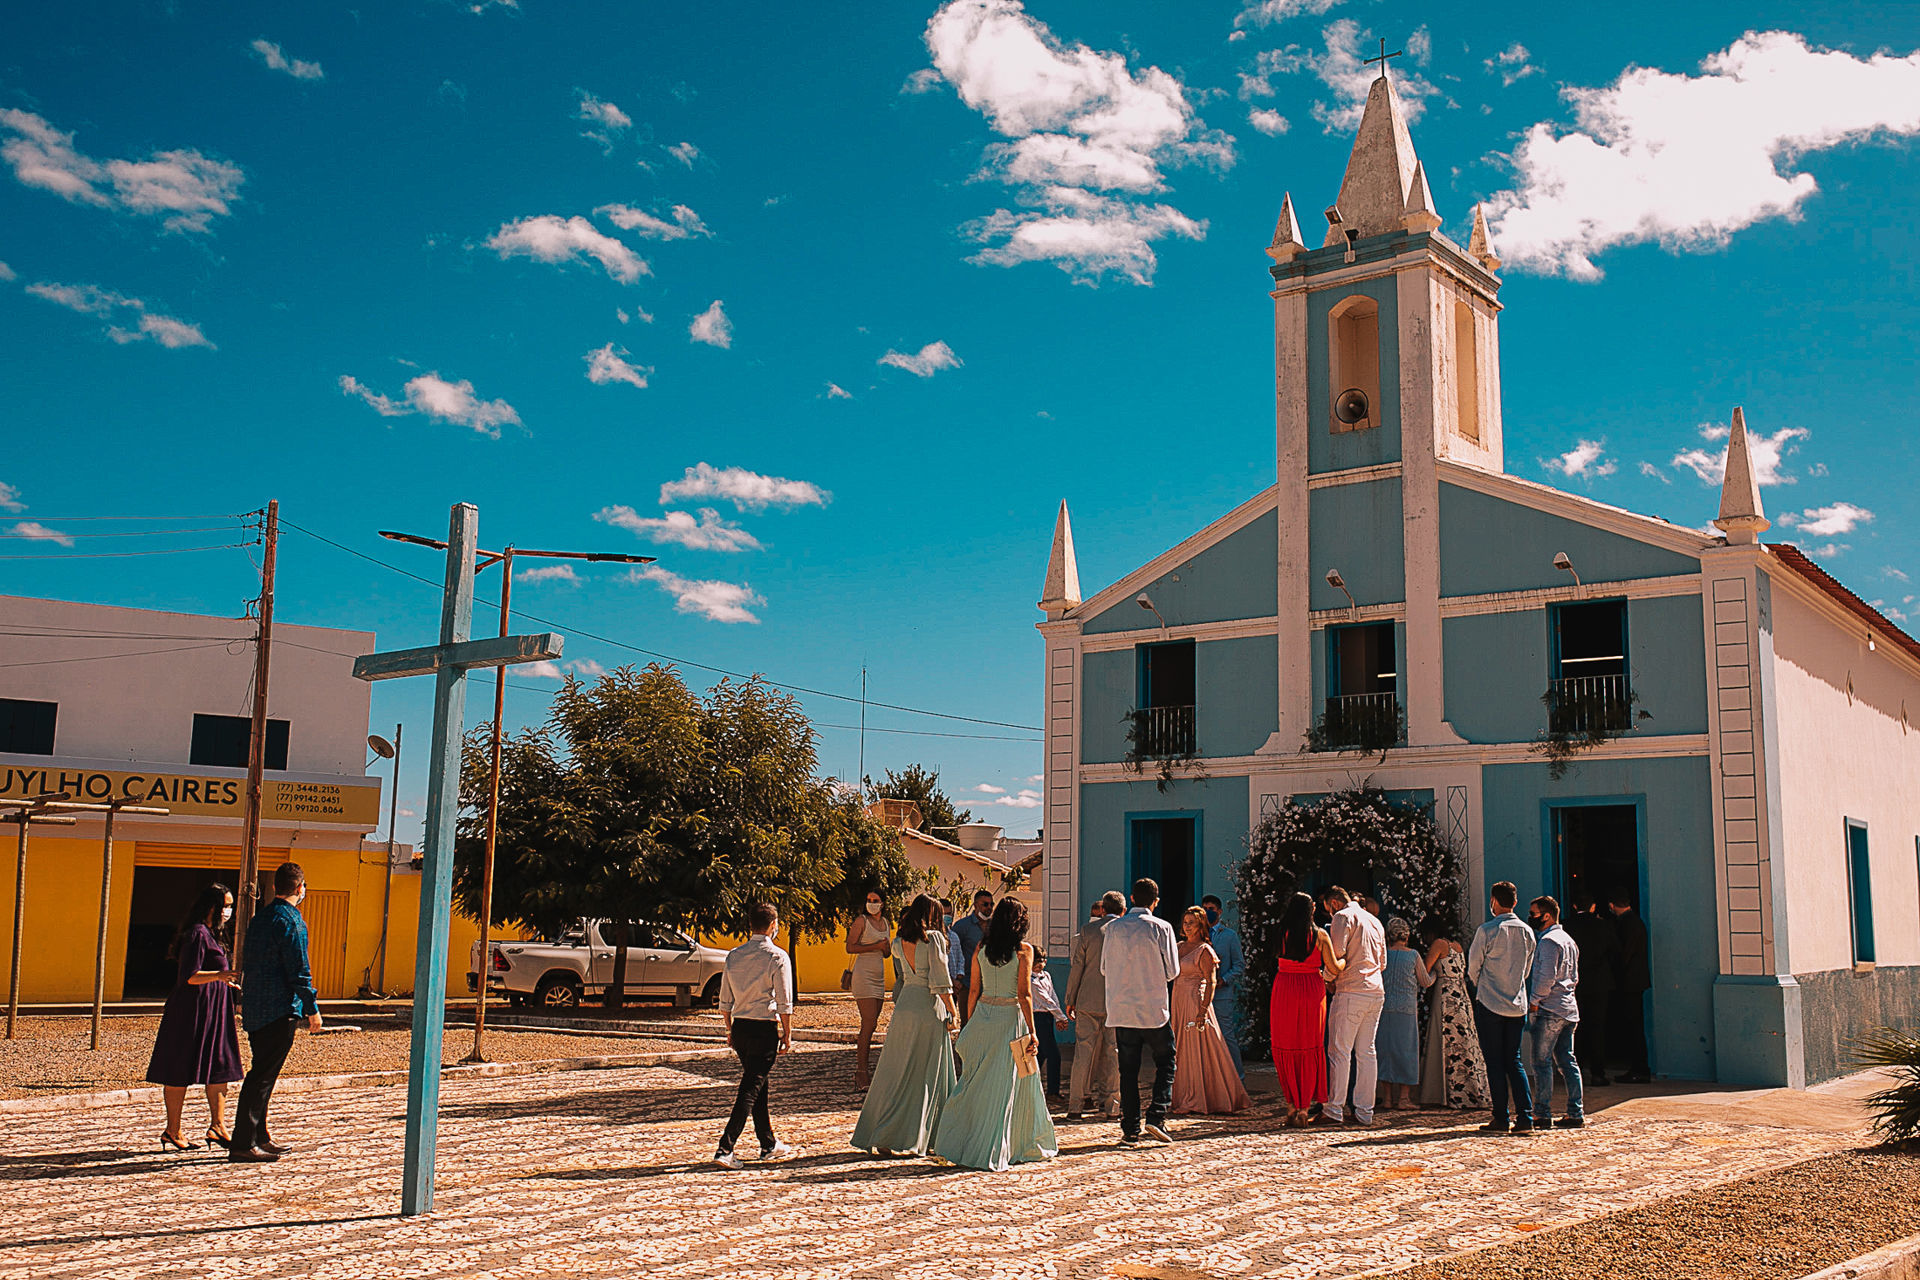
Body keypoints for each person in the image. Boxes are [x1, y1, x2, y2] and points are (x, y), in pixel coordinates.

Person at [931, 897, 1058, 1170]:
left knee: (975, 1082)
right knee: (1012, 1083)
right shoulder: (1024, 950)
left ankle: (959, 1141)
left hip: (984, 1018)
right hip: (1010, 1021)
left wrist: (970, 1023)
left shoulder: (981, 947)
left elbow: (974, 990)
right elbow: (1024, 994)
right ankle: (1011, 1144)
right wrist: (1033, 1031)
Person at [851, 894, 958, 1157]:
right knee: (928, 1072)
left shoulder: (898, 942)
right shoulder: (933, 939)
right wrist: (953, 1011)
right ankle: (931, 1134)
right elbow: (940, 979)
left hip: (905, 1004)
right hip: (928, 1005)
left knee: (896, 1070)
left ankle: (883, 1132)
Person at [232, 861, 320, 1163]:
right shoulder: (292, 922)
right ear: (299, 888)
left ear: (274, 887)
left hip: (256, 1007)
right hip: (280, 1008)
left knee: (262, 1073)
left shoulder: (261, 918)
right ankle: (244, 1141)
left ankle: (260, 1136)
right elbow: (299, 969)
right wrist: (312, 1008)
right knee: (262, 1077)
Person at [146, 882, 244, 1151]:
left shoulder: (213, 934)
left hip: (215, 1011)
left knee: (219, 1066)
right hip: (191, 1012)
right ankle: (173, 1130)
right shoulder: (197, 934)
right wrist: (219, 976)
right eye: (226, 905)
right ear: (212, 906)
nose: (229, 910)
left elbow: (213, 973)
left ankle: (218, 1126)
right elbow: (189, 975)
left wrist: (224, 982)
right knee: (180, 1068)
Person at [715, 902, 796, 1169]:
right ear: (773, 925)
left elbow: (725, 999)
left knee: (758, 1083)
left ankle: (768, 1143)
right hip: (763, 1028)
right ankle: (725, 1148)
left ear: (750, 925)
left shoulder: (734, 955)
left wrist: (728, 1029)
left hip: (740, 1027)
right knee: (750, 1088)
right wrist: (787, 1032)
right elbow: (784, 1000)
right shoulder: (777, 956)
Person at [1101, 878, 1181, 1144]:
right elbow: (1173, 971)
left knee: (1128, 1070)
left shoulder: (1112, 929)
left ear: (1132, 899)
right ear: (1155, 902)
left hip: (1122, 1008)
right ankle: (1157, 1116)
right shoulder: (1162, 928)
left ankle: (1130, 1128)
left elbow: (1104, 968)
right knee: (1166, 1062)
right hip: (1152, 1008)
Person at [1468, 881, 1537, 1135]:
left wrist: (1480, 986)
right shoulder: (1528, 932)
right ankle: (1526, 1117)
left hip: (1490, 1002)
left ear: (1494, 901)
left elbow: (1473, 966)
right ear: (1515, 902)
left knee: (1494, 1062)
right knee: (1514, 1060)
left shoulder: (1487, 930)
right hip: (1517, 1004)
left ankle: (1501, 1116)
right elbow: (1527, 969)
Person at [1269, 891, 1340, 1126]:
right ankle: (1304, 1108)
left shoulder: (1280, 933)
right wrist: (1345, 959)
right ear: (1311, 911)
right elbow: (1334, 967)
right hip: (1311, 988)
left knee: (1285, 1045)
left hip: (1284, 988)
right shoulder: (1319, 935)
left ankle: (1291, 1104)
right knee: (1310, 1045)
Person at [1170, 907, 1250, 1115]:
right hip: (1178, 1000)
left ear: (1201, 926)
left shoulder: (1205, 950)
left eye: (1191, 923)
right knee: (1180, 1048)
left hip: (1195, 1000)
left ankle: (1202, 1096)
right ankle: (1182, 1095)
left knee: (1199, 1048)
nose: (1187, 926)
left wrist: (1203, 1010)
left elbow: (1211, 981)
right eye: (1185, 922)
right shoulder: (1178, 947)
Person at [1322, 885, 1387, 1127]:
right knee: (1367, 1052)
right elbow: (1382, 962)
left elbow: (1337, 954)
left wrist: (1326, 978)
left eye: (1328, 908)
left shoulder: (1342, 917)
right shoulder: (1374, 920)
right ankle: (1364, 1111)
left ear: (1334, 903)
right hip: (1375, 990)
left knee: (1339, 1051)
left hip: (1351, 990)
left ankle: (1334, 1108)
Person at [1063, 890, 1124, 1121]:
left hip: (1087, 999)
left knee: (1082, 1054)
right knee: (1113, 1054)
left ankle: (1075, 1106)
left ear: (1103, 910)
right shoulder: (1126, 931)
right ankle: (1112, 1107)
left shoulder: (1087, 931)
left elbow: (1077, 967)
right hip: (1116, 1002)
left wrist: (1070, 999)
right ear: (1123, 910)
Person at [1527, 896, 1585, 1129]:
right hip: (1569, 1008)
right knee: (1567, 1060)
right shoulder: (1569, 940)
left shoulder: (1548, 942)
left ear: (1547, 915)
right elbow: (1575, 976)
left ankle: (1541, 1112)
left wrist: (1534, 1001)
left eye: (1534, 913)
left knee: (1541, 1063)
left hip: (1550, 1008)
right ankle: (1575, 1111)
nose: (1531, 917)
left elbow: (1545, 977)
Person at [1417, 931, 1490, 1110]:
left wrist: (1433, 977)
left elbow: (1425, 971)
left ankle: (1446, 1093)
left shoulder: (1438, 944)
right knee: (1464, 1041)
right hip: (1461, 995)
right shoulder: (1457, 946)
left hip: (1445, 995)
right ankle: (1472, 1090)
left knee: (1445, 1039)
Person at [1562, 895, 1619, 1086]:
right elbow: (1615, 952)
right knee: (1597, 1028)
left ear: (1575, 905)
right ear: (1594, 907)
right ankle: (1598, 1073)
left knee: (1574, 1028)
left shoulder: (1566, 926)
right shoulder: (1604, 926)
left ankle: (1575, 1072)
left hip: (1574, 983)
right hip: (1599, 984)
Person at [1378, 917, 1434, 1111]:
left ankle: (1386, 1098)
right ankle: (1403, 1098)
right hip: (1406, 1010)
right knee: (1406, 1052)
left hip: (1384, 1007)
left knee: (1384, 1051)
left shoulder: (1383, 955)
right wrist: (1436, 974)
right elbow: (1425, 981)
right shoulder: (1413, 956)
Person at [845, 888, 892, 1090]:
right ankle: (861, 1072)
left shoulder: (886, 923)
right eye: (868, 899)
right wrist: (875, 946)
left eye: (875, 900)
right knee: (868, 1022)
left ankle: (865, 1069)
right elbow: (850, 947)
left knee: (873, 1025)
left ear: (883, 903)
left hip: (879, 975)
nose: (871, 903)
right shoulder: (861, 921)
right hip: (863, 974)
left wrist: (885, 947)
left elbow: (887, 952)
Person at [1608, 892, 1652, 1083]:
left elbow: (1624, 953)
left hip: (1629, 983)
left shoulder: (1626, 924)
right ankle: (1639, 1067)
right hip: (1637, 981)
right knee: (1635, 1025)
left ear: (1612, 905)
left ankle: (1639, 1069)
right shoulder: (1636, 922)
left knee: (1633, 1026)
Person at [1200, 894, 1245, 1078]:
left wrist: (1224, 980)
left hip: (1221, 994)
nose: (1208, 912)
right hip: (1202, 993)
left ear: (1219, 911)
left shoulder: (1229, 936)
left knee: (1226, 1035)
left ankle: (1237, 1076)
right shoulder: (1198, 935)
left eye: (1211, 909)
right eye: (1205, 909)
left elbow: (1239, 965)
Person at [950, 890, 994, 1023]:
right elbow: (953, 952)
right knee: (968, 1023)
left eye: (991, 904)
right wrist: (956, 979)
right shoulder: (962, 926)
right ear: (975, 905)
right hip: (968, 983)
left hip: (990, 985)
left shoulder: (995, 926)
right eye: (985, 904)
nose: (989, 908)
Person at [1029, 943, 1064, 1098]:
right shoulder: (1030, 979)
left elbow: (1053, 996)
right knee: (1054, 1055)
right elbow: (1044, 999)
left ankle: (1032, 1086)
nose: (1040, 963)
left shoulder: (1047, 975)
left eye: (1043, 959)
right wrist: (1061, 1016)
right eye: (1037, 960)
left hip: (1048, 1017)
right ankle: (1053, 1091)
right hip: (1038, 1017)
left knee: (1041, 1054)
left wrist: (1057, 1016)